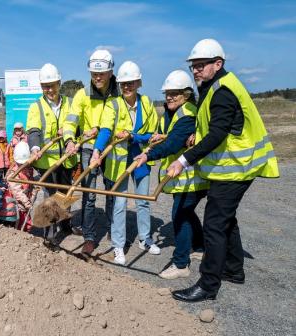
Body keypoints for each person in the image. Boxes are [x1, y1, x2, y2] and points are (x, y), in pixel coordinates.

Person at [167, 39, 279, 302]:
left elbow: (218, 133)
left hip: (235, 168)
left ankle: (207, 285)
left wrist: (183, 160)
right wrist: (197, 133)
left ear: (218, 64)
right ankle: (233, 269)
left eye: (201, 65)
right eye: (193, 66)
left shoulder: (222, 91)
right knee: (226, 219)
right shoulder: (215, 86)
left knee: (214, 224)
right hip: (230, 168)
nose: (196, 70)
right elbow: (214, 125)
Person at [135, 70, 209, 278]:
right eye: (167, 92)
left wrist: (148, 156)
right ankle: (200, 247)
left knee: (180, 215)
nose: (169, 96)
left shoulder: (187, 114)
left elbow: (174, 143)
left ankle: (181, 264)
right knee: (187, 213)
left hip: (190, 176)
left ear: (185, 94)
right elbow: (167, 137)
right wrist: (157, 137)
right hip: (182, 178)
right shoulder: (171, 112)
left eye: (174, 93)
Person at [92, 61, 159, 265]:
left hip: (140, 158)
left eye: (131, 83)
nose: (127, 87)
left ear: (139, 82)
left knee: (143, 200)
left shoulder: (147, 103)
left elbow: (152, 134)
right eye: (123, 84)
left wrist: (132, 136)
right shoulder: (114, 104)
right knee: (119, 204)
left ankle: (145, 238)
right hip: (119, 161)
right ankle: (118, 245)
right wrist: (97, 151)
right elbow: (105, 130)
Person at [63, 49, 119, 256]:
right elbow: (71, 120)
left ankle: (116, 231)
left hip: (113, 148)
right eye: (94, 74)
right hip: (88, 148)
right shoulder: (82, 94)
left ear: (111, 72)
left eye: (101, 73)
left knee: (113, 190)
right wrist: (70, 140)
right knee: (90, 193)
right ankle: (89, 236)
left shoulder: (119, 93)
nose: (97, 77)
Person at [27, 63, 76, 241]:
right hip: (46, 161)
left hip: (66, 159)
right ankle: (49, 233)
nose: (49, 89)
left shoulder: (70, 103)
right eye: (45, 86)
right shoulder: (36, 107)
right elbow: (33, 131)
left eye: (52, 85)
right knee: (49, 197)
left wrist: (70, 132)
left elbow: (77, 125)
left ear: (59, 83)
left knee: (65, 193)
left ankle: (65, 225)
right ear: (41, 87)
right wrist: (35, 148)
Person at [6, 142, 34, 231]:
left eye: (24, 163)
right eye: (20, 163)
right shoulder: (13, 174)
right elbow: (17, 191)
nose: (22, 165)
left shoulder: (29, 169)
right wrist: (27, 203)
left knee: (27, 220)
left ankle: (26, 234)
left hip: (26, 199)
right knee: (21, 221)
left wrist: (33, 193)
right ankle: (20, 235)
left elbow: (31, 183)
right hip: (18, 202)